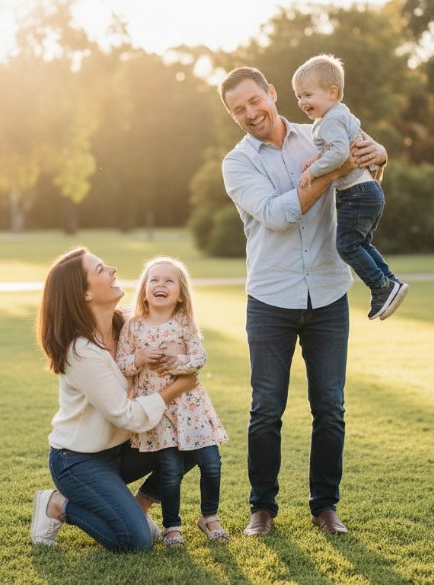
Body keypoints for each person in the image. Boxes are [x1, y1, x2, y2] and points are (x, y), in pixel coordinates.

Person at [218, 66, 389, 536]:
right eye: (238, 109)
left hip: (329, 292)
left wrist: (379, 155)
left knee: (330, 406)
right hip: (271, 297)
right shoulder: (237, 163)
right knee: (266, 409)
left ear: (272, 94)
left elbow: (367, 168)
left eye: (255, 100)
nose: (251, 113)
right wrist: (337, 166)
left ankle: (325, 506)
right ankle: (262, 509)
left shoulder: (321, 128)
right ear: (233, 115)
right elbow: (277, 214)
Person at [30, 247, 198, 551]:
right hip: (78, 461)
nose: (112, 269)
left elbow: (178, 331)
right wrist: (175, 389)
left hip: (121, 450)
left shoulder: (127, 327)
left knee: (194, 441)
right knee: (135, 541)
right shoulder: (80, 352)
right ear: (85, 294)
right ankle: (55, 505)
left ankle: (140, 506)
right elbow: (127, 416)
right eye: (100, 270)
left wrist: (183, 358)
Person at [116, 257, 229, 546]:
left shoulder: (184, 323)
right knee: (170, 469)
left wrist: (177, 361)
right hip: (159, 410)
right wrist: (140, 358)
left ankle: (209, 516)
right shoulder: (134, 327)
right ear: (144, 291)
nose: (160, 285)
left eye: (169, 281)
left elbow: (199, 359)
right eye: (154, 280)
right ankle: (172, 526)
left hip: (192, 407)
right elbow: (122, 364)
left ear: (180, 294)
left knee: (211, 462)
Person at [293, 54, 408, 320]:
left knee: (347, 246)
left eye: (308, 95)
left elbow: (339, 155)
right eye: (298, 96)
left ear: (333, 92)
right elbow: (335, 148)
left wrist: (313, 170)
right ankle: (391, 283)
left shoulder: (331, 120)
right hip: (368, 192)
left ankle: (382, 287)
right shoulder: (337, 116)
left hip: (357, 193)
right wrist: (317, 158)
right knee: (361, 243)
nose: (302, 102)